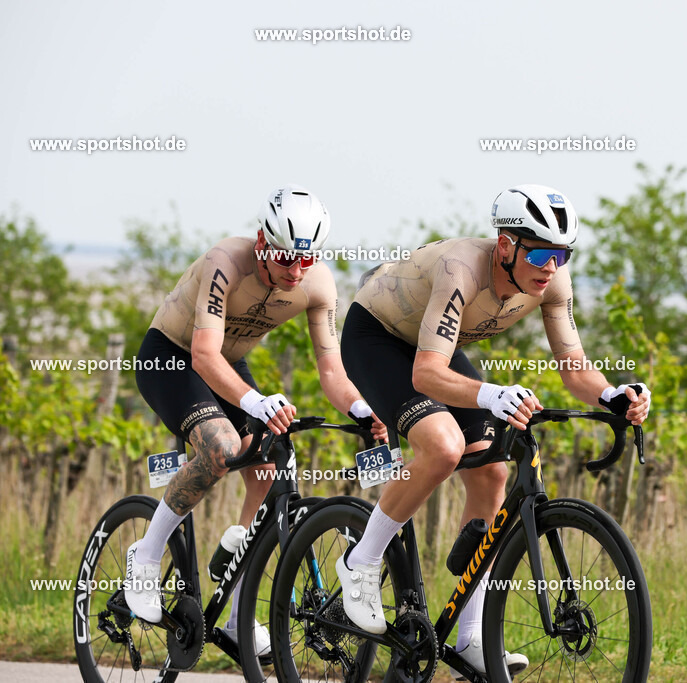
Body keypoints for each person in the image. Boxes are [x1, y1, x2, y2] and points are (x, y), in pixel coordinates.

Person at [340, 184, 651, 679]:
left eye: (563, 253)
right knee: (443, 446)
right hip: (377, 337)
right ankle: (362, 559)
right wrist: (491, 394)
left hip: (432, 347)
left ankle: (468, 638)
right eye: (542, 252)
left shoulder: (553, 282)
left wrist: (613, 395)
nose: (552, 265)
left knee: (491, 474)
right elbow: (425, 375)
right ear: (506, 245)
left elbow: (575, 369)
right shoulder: (460, 269)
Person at [124, 184, 386, 656]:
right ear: (263, 241)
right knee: (222, 450)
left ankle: (236, 616)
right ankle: (144, 555)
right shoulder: (226, 261)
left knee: (269, 469)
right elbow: (203, 355)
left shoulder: (318, 283)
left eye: (306, 260)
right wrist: (256, 401)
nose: (297, 270)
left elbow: (331, 369)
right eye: (286, 258)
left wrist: (362, 409)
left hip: (227, 361)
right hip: (172, 355)